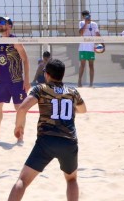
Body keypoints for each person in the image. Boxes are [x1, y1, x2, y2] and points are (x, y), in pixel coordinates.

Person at [8, 59, 87, 201]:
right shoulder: (73, 92)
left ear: (47, 75)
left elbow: (22, 108)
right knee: (71, 179)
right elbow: (83, 110)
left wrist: (18, 127)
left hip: (46, 141)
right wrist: (69, 109)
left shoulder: (41, 89)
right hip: (68, 141)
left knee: (23, 180)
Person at [0, 16, 30, 141]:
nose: (0, 25)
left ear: (9, 25)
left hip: (16, 80)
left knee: (19, 108)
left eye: (2, 22)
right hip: (3, 80)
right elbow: (0, 60)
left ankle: (20, 136)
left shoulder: (15, 40)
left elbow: (25, 59)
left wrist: (27, 79)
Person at [77, 10, 101, 87]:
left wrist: (102, 43)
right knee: (82, 65)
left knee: (91, 65)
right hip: (83, 47)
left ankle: (91, 84)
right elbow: (81, 33)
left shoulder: (94, 24)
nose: (87, 17)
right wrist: (86, 24)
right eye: (85, 16)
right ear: (83, 17)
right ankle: (79, 81)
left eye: (88, 15)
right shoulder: (81, 23)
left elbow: (97, 34)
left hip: (91, 48)